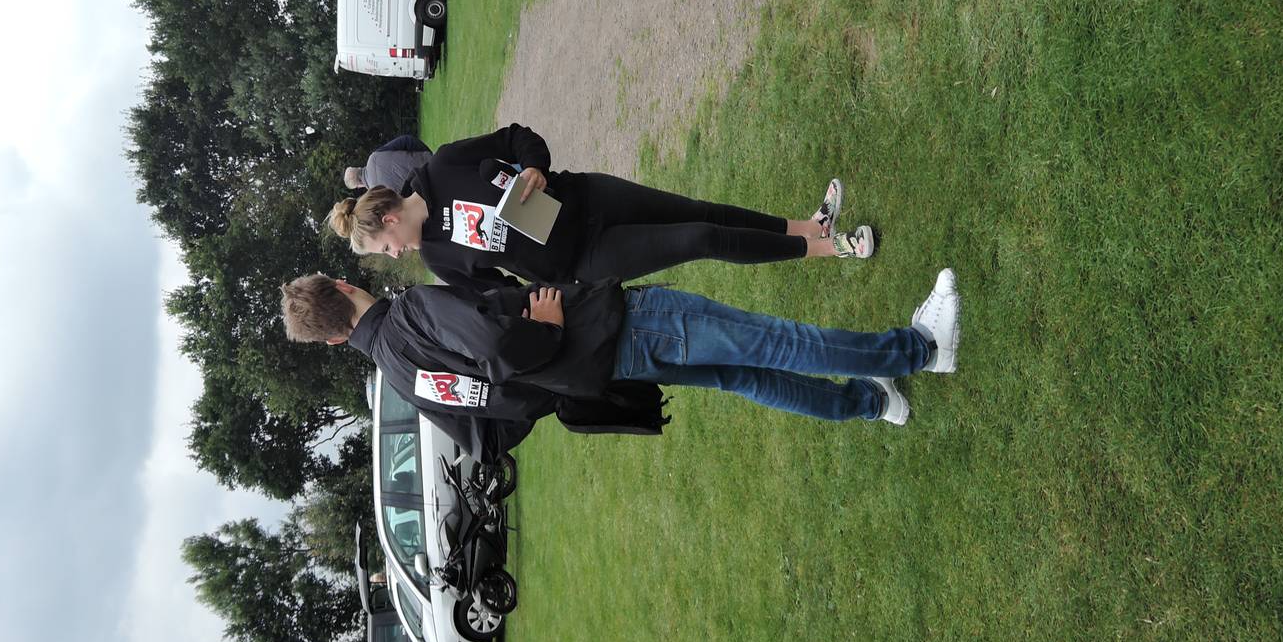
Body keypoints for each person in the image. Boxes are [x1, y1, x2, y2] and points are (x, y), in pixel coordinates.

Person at [279, 267, 961, 457]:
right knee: (770, 342)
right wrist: (546, 336)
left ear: (333, 341)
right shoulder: (411, 314)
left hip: (603, 371)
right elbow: (495, 351)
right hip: (612, 332)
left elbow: (489, 433)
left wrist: (546, 384)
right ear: (342, 286)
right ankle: (921, 349)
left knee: (744, 374)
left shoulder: (399, 379)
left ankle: (873, 400)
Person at [327, 123, 873, 298]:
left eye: (384, 246)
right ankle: (828, 249)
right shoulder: (440, 259)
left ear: (390, 219)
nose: (394, 255)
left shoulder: (446, 165)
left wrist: (535, 167)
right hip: (586, 259)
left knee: (700, 210)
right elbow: (503, 297)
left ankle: (809, 226)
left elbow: (517, 138)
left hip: (587, 197)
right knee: (699, 239)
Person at [344, 133, 432, 194]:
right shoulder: (374, 157)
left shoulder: (376, 194)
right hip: (431, 163)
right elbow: (407, 140)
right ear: (358, 168)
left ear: (358, 186)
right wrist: (426, 155)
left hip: (428, 188)